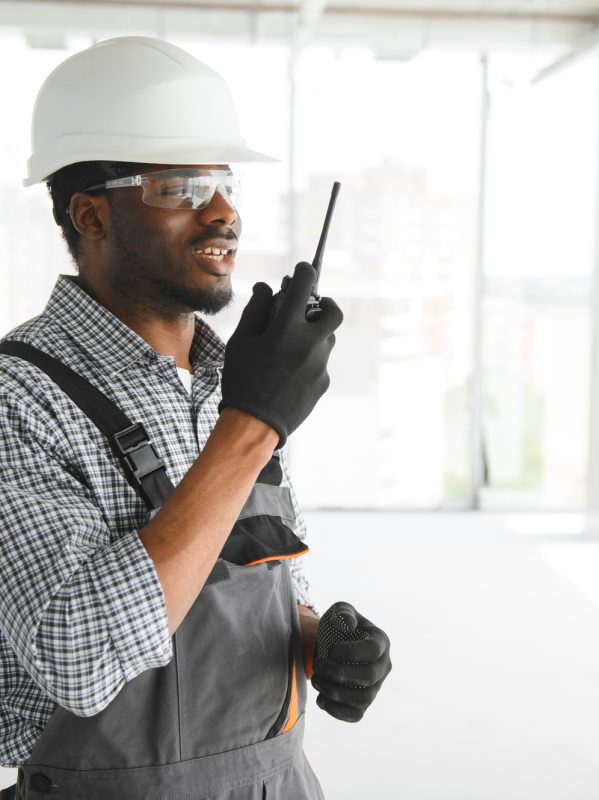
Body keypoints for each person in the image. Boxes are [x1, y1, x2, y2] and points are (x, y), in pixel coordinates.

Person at [0, 36, 391, 800]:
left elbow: (257, 581)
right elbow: (76, 656)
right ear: (91, 214)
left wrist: (322, 640)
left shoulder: (231, 378)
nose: (223, 212)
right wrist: (252, 424)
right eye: (179, 185)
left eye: (223, 181)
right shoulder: (19, 398)